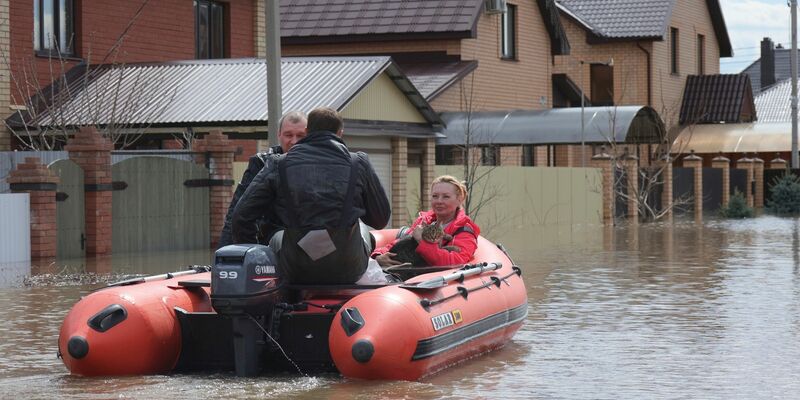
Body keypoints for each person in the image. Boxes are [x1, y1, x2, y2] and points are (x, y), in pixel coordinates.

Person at [231, 107, 390, 284]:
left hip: (296, 269)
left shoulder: (278, 164)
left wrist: (256, 258)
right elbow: (380, 220)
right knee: (361, 227)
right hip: (349, 268)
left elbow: (240, 217)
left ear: (307, 131)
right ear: (340, 133)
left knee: (278, 235)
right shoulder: (358, 163)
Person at [218, 111, 307, 247]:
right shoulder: (261, 163)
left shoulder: (320, 166)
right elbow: (237, 211)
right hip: (271, 241)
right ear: (279, 135)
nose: (294, 141)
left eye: (300, 136)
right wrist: (225, 253)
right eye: (288, 135)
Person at [373, 175, 480, 267]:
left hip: (428, 280)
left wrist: (422, 241)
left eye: (446, 197)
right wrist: (378, 256)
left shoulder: (464, 231)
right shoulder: (424, 221)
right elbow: (401, 242)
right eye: (435, 196)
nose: (439, 201)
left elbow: (454, 262)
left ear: (459, 199)